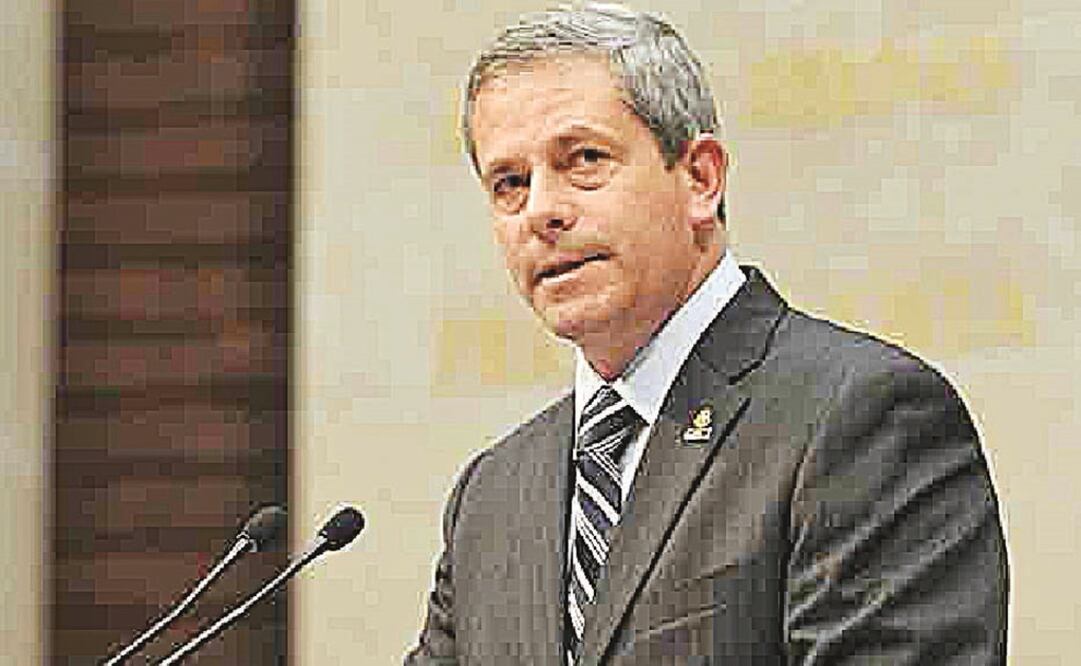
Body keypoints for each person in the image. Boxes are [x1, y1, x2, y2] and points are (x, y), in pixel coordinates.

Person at [405, 3, 1008, 664]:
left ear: (699, 178)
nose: (542, 210)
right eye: (509, 184)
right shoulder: (491, 496)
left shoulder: (861, 417)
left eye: (582, 159)